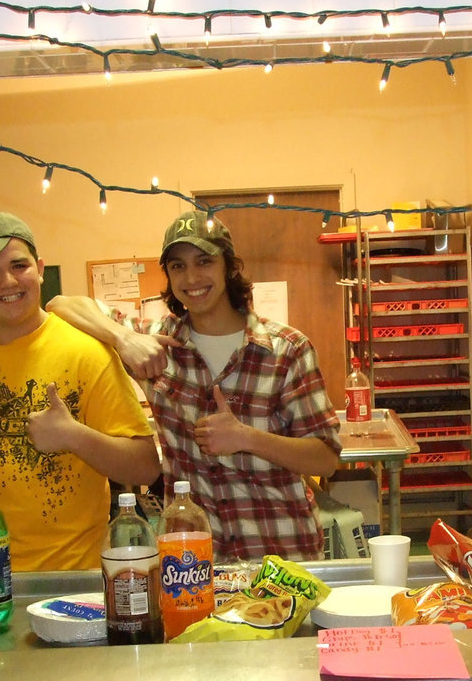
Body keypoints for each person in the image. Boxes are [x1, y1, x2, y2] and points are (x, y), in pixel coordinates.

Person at [48, 212, 341, 562]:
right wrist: (124, 338)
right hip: (193, 562)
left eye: (204, 262)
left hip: (279, 555)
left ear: (229, 267)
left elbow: (326, 458)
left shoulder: (287, 349)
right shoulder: (156, 343)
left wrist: (247, 438)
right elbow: (60, 304)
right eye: (177, 266)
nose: (191, 278)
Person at [0, 211, 159, 571]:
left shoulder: (87, 353)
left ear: (40, 268)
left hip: (73, 581)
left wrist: (74, 436)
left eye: (19, 266)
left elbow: (145, 467)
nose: (8, 282)